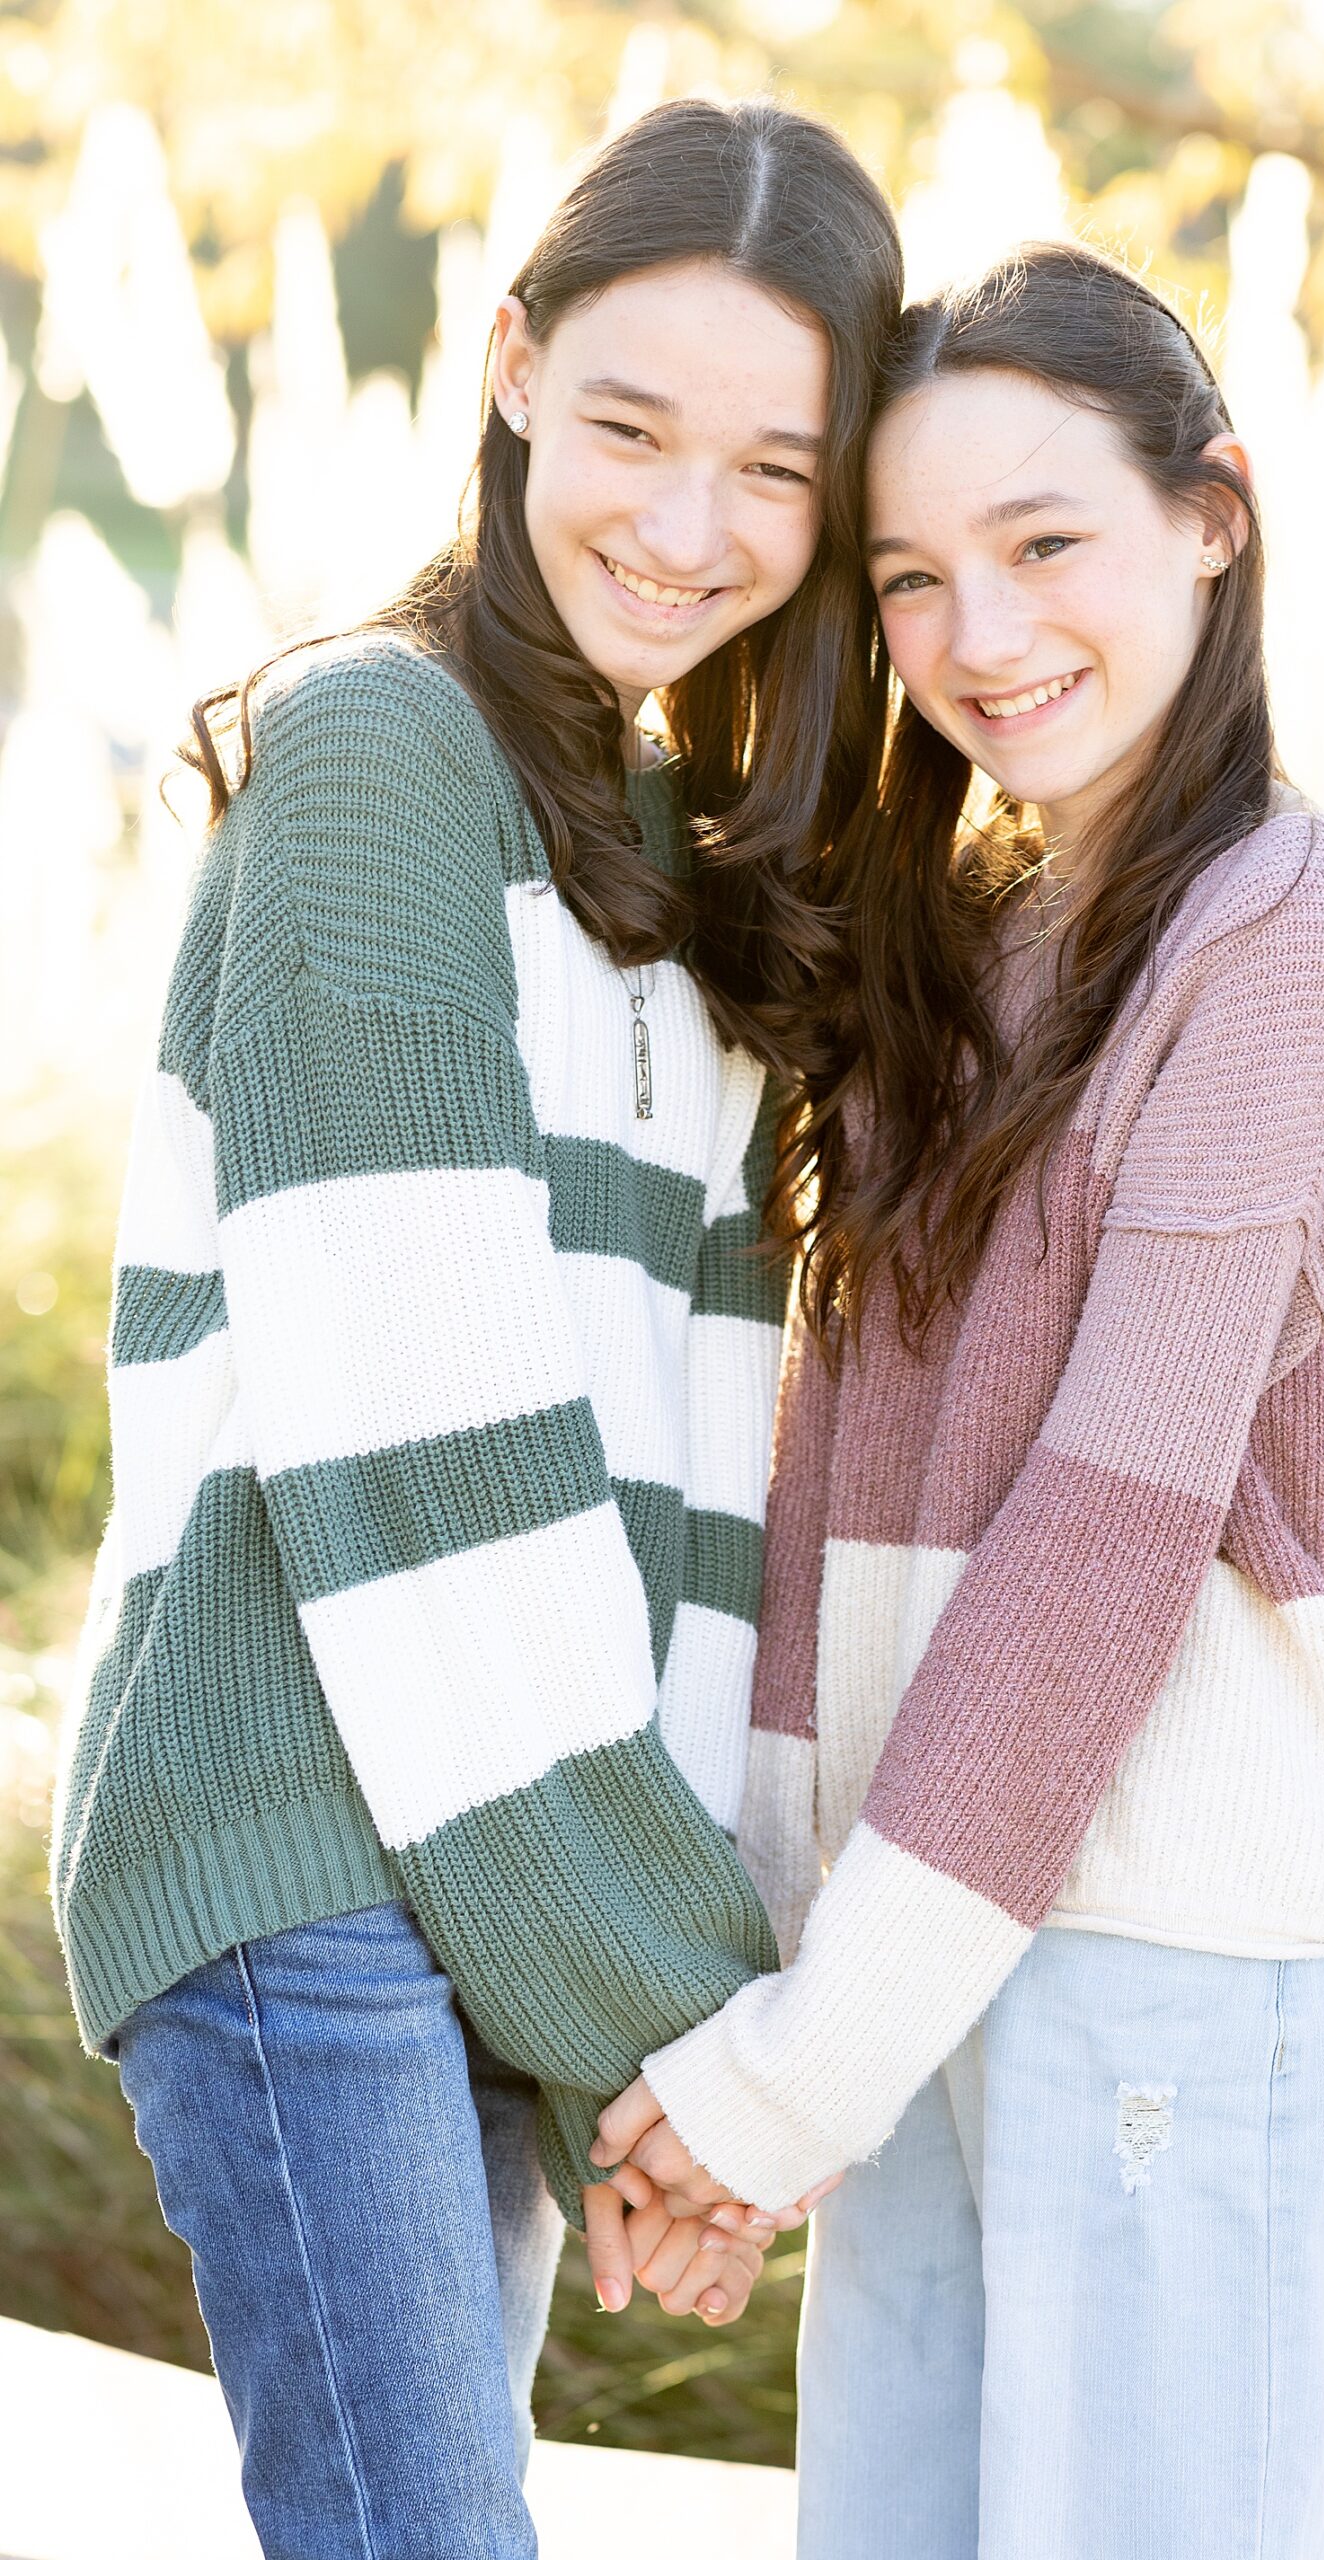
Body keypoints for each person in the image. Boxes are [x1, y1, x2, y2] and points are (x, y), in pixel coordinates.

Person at [50, 96, 901, 2560]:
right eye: (627, 426)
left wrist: (660, 1983)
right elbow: (430, 1452)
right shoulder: (376, 759)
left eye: (772, 467)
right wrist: (681, 2026)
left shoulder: (664, 855)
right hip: (306, 1825)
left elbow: (693, 1475)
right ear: (511, 366)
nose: (682, 523)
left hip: (510, 1844)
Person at [593, 241, 1324, 2559]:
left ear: (1212, 516)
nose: (980, 636)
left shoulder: (1287, 927)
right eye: (909, 577)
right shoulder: (958, 942)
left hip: (1177, 1991)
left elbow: (1098, 1537)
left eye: (1043, 541)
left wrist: (796, 2066)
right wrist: (791, 2016)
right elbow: (823, 1508)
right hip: (930, 1979)